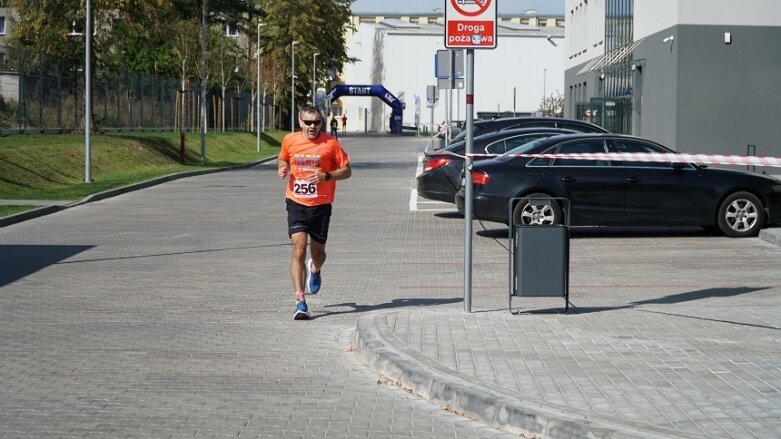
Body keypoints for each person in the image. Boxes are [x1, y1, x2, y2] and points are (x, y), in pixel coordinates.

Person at [277, 106, 352, 320]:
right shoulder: (290, 140)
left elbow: (347, 170)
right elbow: (282, 158)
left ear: (322, 122)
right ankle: (300, 301)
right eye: (308, 122)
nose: (312, 127)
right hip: (296, 201)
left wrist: (326, 176)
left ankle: (315, 268)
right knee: (298, 247)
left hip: (321, 205)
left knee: (318, 253)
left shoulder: (331, 143)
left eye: (317, 122)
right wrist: (282, 167)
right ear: (300, 122)